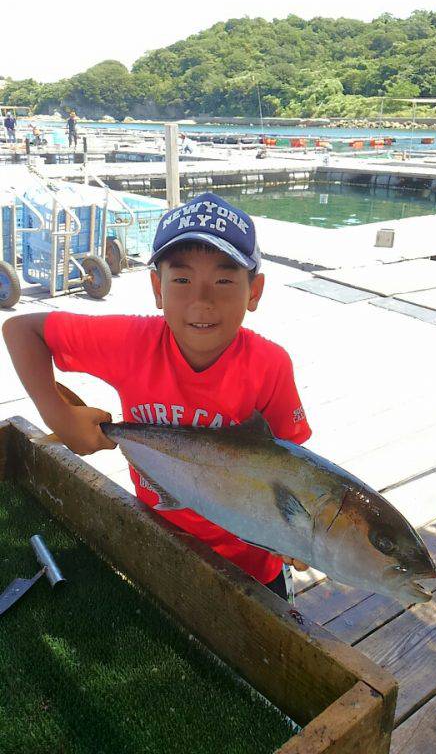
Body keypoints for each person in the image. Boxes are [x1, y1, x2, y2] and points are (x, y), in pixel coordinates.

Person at [2, 192, 311, 602]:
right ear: (157, 288)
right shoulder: (133, 342)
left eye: (224, 280)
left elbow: (291, 465)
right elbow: (22, 330)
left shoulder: (270, 365)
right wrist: (58, 416)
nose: (202, 299)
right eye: (181, 279)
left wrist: (295, 531)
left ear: (254, 292)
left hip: (252, 559)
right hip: (159, 539)